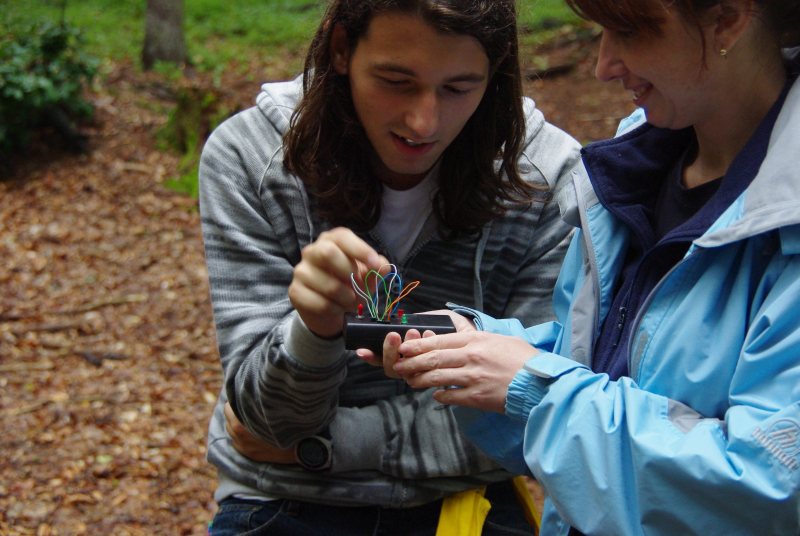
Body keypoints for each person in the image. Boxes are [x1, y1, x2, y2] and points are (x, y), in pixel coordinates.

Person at [392, 0, 800, 534]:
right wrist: (476, 351)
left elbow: (771, 484)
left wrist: (536, 388)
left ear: (728, 17)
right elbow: (599, 370)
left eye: (629, 31)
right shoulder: (634, 173)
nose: (603, 65)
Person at [198, 0, 582, 534]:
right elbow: (268, 421)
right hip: (282, 502)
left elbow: (536, 417)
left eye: (458, 88)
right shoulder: (252, 158)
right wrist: (313, 329)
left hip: (467, 502)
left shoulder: (546, 180)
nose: (424, 121)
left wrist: (330, 446)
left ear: (494, 74)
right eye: (396, 81)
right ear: (340, 50)